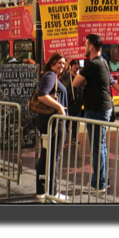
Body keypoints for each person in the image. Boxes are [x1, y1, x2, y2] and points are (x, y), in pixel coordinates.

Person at [73, 34, 112, 193]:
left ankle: (99, 185)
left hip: (96, 109)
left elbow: (75, 82)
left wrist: (82, 78)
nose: (84, 46)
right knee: (101, 145)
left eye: (85, 43)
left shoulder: (92, 64)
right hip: (102, 108)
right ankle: (103, 181)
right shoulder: (103, 61)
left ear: (91, 47)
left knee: (97, 147)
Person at [36, 53, 68, 201]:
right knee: (54, 156)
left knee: (46, 154)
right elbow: (42, 95)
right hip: (54, 121)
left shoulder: (50, 75)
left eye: (63, 63)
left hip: (48, 120)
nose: (61, 66)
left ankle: (42, 190)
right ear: (51, 63)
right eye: (58, 63)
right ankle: (52, 192)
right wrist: (60, 107)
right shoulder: (50, 76)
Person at [61, 59, 83, 143]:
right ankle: (64, 137)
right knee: (66, 120)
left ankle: (74, 137)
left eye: (78, 65)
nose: (76, 67)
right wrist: (67, 62)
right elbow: (61, 74)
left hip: (77, 101)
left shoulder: (79, 76)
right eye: (75, 65)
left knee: (76, 121)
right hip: (68, 100)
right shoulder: (67, 75)